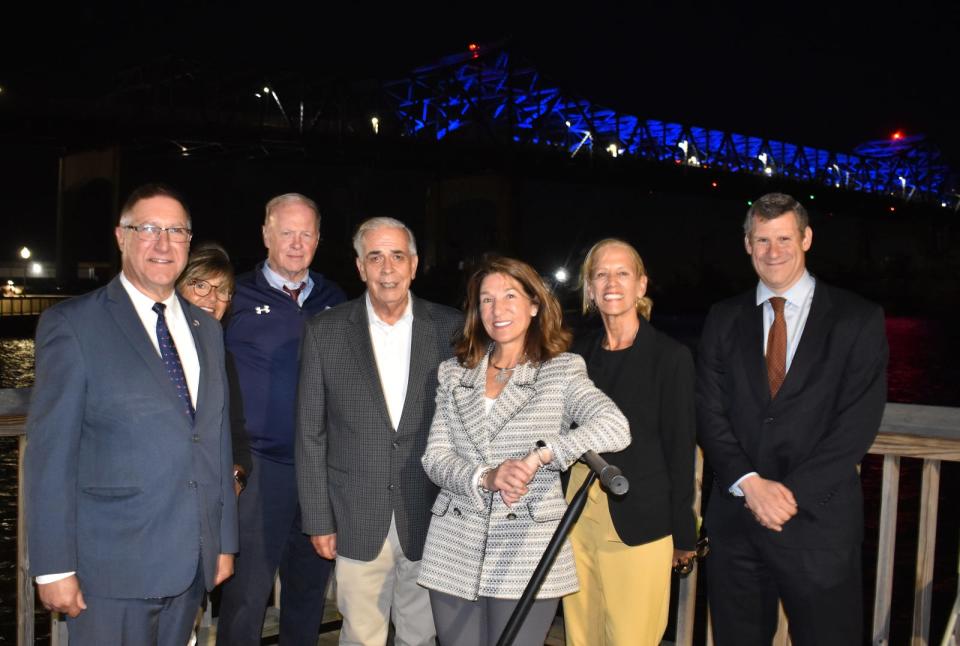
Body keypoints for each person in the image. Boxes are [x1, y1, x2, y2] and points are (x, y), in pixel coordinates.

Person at [24, 183, 238, 645]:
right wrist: (53, 566)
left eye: (176, 231)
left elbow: (215, 440)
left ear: (188, 241)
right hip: (109, 572)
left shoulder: (206, 330)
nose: (163, 243)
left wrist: (222, 541)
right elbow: (50, 455)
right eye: (148, 229)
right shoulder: (73, 325)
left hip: (189, 565)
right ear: (121, 237)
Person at [696, 192, 888, 646]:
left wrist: (787, 495)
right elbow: (709, 410)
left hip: (818, 526)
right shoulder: (722, 318)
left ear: (806, 238)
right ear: (747, 244)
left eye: (784, 238)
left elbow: (856, 426)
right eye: (762, 240)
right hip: (737, 521)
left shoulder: (858, 319)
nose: (773, 251)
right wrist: (750, 484)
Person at [418, 256, 631, 646]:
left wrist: (544, 455)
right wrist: (486, 476)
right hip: (453, 546)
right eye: (486, 299)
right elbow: (435, 457)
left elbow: (615, 427)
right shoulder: (453, 373)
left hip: (527, 548)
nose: (497, 310)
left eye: (510, 296)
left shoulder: (562, 370)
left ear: (535, 305)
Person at [296, 217, 463, 646]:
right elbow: (310, 433)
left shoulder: (453, 330)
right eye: (375, 257)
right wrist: (318, 518)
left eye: (396, 256)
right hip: (354, 517)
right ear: (359, 267)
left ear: (414, 264)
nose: (386, 268)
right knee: (360, 635)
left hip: (430, 513)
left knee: (422, 634)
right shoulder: (325, 331)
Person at [216, 193, 346, 646]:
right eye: (286, 232)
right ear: (266, 235)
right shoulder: (235, 295)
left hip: (319, 470)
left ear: (318, 239)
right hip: (258, 470)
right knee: (246, 596)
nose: (296, 243)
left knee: (308, 592)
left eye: (305, 233)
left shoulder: (335, 298)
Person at [562, 238, 697, 645]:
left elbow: (680, 449)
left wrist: (684, 533)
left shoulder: (670, 357)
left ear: (641, 286)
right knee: (581, 637)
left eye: (623, 273)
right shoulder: (576, 354)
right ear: (588, 289)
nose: (611, 283)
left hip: (640, 524)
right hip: (576, 520)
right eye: (600, 274)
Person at [176, 242, 251, 494]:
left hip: (210, 498)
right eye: (200, 284)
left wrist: (238, 477)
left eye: (222, 290)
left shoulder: (222, 358)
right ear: (177, 286)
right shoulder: (155, 350)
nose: (211, 297)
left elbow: (236, 431)